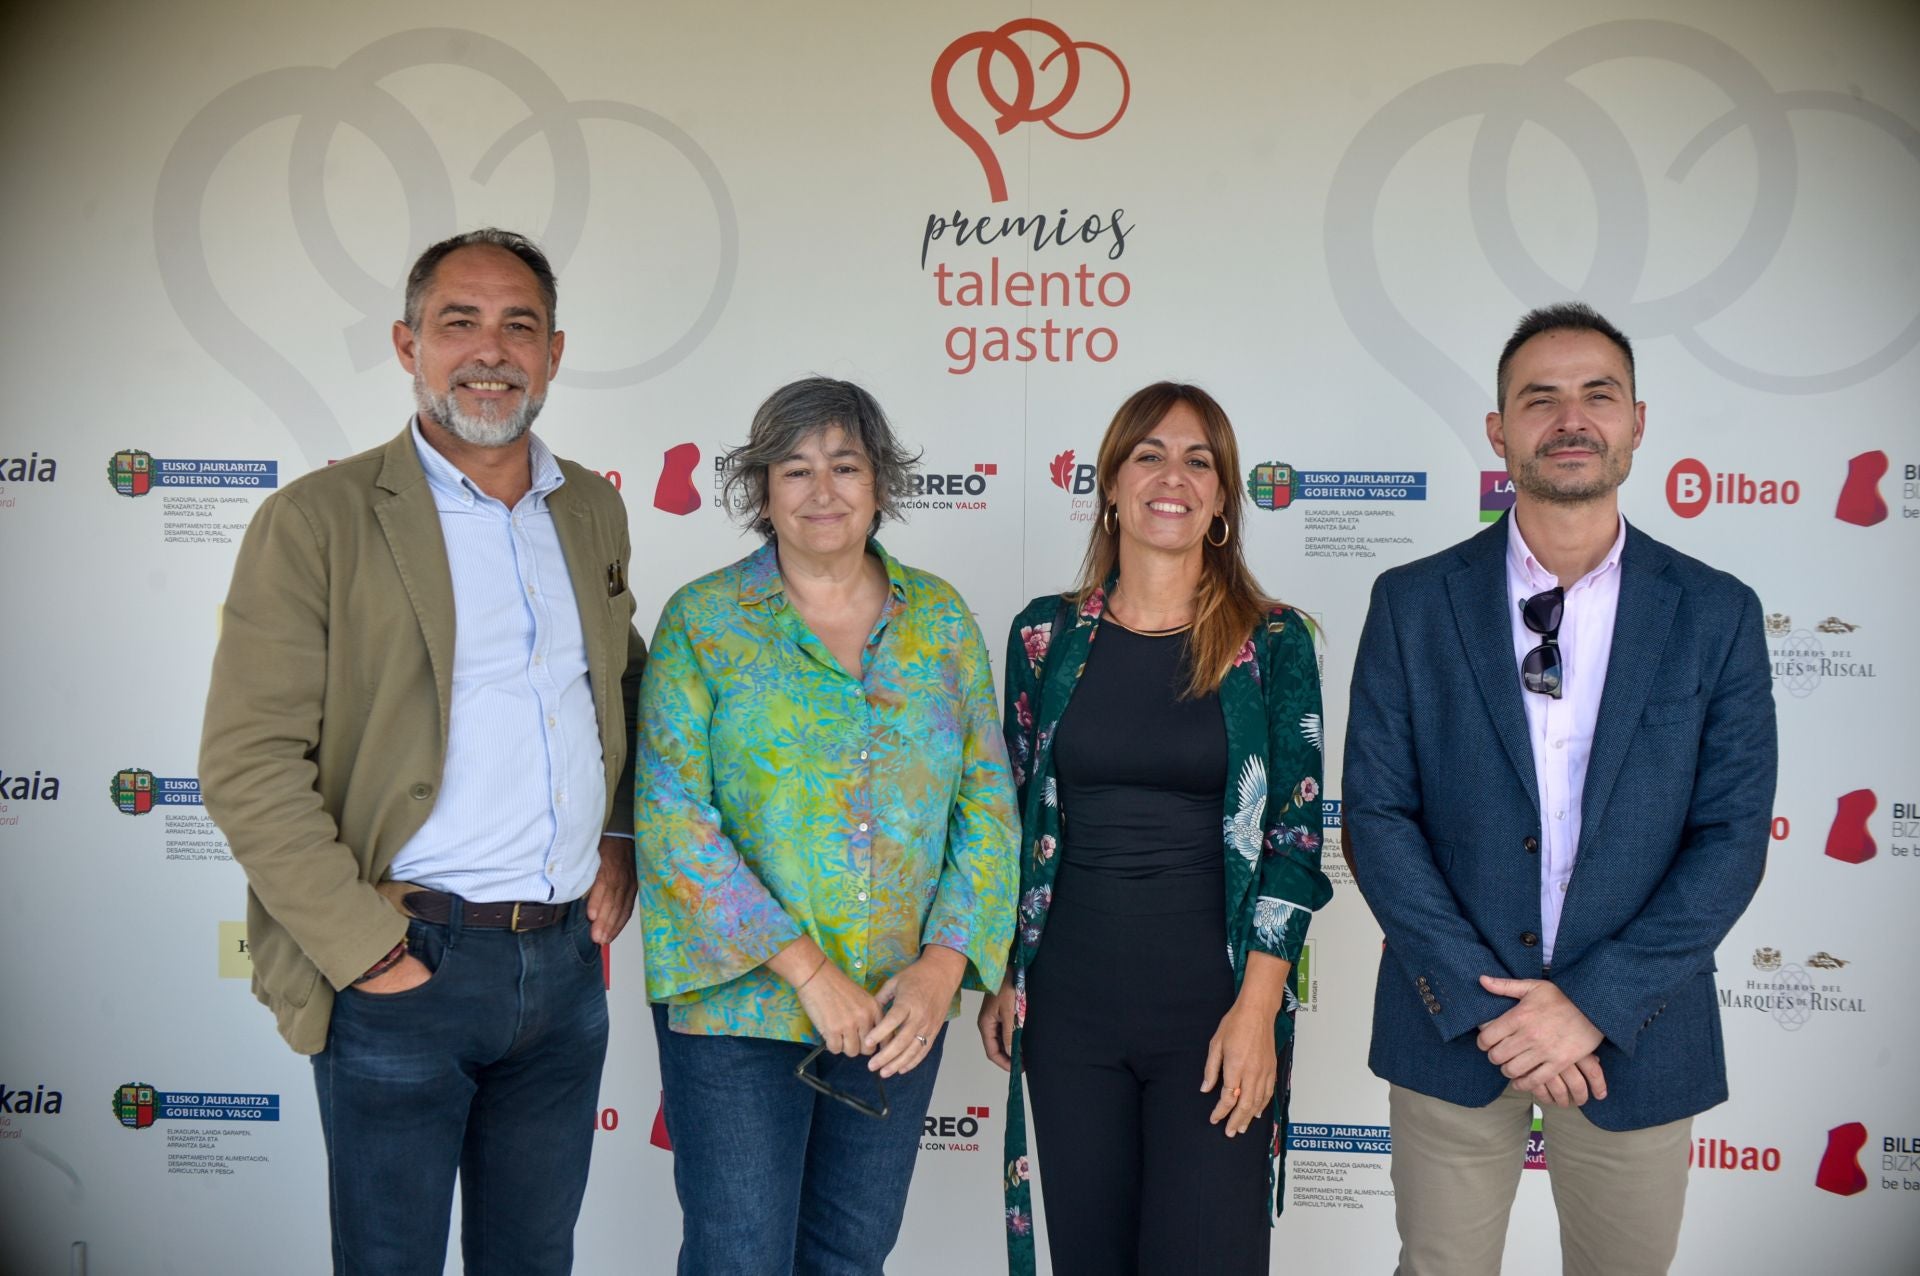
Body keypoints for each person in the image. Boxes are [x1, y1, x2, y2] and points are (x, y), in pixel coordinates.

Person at [199, 228, 646, 1276]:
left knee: (533, 1260)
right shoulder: (319, 518)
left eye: (518, 326)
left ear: (554, 352)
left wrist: (620, 828)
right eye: (460, 322)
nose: (490, 350)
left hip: (565, 972)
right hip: (405, 963)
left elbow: (623, 678)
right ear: (408, 344)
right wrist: (367, 952)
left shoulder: (588, 505)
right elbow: (248, 761)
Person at [1345, 303, 1777, 1276]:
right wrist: (1493, 1008)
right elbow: (1377, 816)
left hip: (1638, 1029)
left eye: (1598, 395)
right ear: (1499, 431)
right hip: (1453, 1025)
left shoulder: (1715, 614)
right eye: (1540, 398)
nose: (1570, 418)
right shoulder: (1412, 603)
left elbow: (1732, 835)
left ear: (1636, 421)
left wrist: (1589, 1003)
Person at [634, 377, 1019, 1276]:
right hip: (738, 1011)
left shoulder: (941, 623)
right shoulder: (704, 621)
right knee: (739, 1257)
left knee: (851, 1256)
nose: (822, 491)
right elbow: (671, 821)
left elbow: (988, 808)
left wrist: (943, 967)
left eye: (846, 466)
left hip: (896, 1013)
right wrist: (808, 972)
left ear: (880, 483)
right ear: (760, 489)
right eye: (795, 468)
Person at [978, 382, 1332, 1276]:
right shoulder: (1043, 639)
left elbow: (1294, 843)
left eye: (1199, 460)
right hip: (1068, 1013)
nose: (1173, 476)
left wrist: (1257, 1010)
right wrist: (997, 972)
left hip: (1214, 1016)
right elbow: (1006, 822)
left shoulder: (1274, 643)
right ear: (1110, 484)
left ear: (1220, 499)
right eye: (1149, 455)